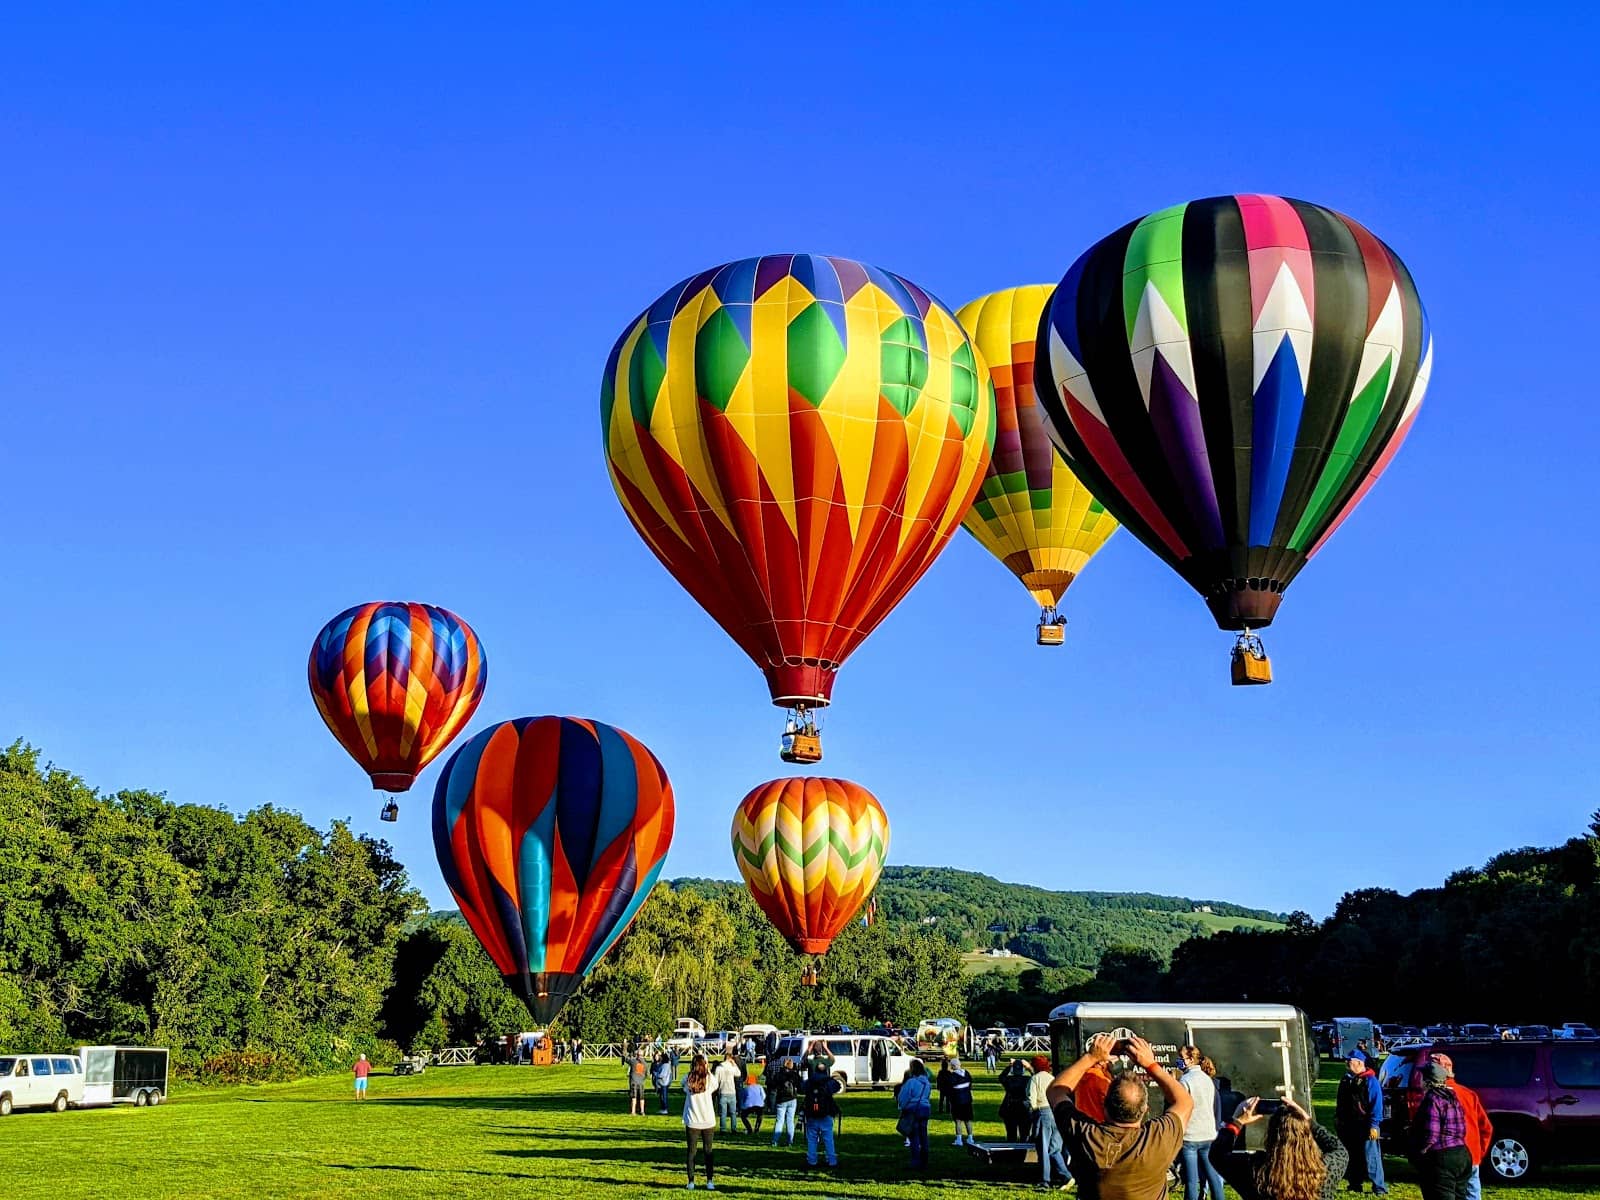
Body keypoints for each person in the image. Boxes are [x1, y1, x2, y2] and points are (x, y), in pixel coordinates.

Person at [1046, 1032, 1193, 1200]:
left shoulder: (1087, 1136)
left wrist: (1091, 1058)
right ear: (1145, 1109)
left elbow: (1056, 1091)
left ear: (1105, 1105)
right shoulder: (1159, 1138)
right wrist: (1150, 1064)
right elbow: (1184, 1102)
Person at [1209, 1096, 1349, 1200]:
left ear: (1270, 1135)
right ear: (1307, 1136)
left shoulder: (1255, 1169)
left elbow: (1217, 1154)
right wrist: (1309, 1122)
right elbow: (1339, 1149)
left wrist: (1238, 1121)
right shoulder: (1324, 1170)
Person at [1430, 1054, 1495, 1200]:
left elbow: (1429, 1131)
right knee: (1472, 1194)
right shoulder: (1468, 1094)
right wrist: (1479, 1153)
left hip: (1446, 1157)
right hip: (1471, 1155)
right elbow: (1486, 1127)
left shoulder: (1435, 1097)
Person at [1409, 1062, 1471, 1200]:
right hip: (1462, 1153)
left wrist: (1421, 1151)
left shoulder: (1433, 1099)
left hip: (1443, 1156)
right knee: (1460, 1196)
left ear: (1427, 1081)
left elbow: (1432, 1134)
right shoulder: (1452, 1097)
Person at [1177, 1045, 1226, 1200]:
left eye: (1181, 1058)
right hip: (1208, 1134)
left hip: (1190, 1136)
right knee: (1213, 1177)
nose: (1179, 1061)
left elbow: (1180, 1106)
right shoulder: (1207, 1080)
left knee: (1191, 1181)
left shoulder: (1185, 1080)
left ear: (1191, 1059)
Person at [1335, 1052, 1387, 1194]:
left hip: (1365, 1125)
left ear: (1359, 1063)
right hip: (1348, 1125)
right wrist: (1338, 1118)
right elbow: (1341, 1102)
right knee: (1352, 1156)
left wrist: (1374, 1125)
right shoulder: (1346, 1080)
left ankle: (1379, 1188)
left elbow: (1377, 1105)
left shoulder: (1371, 1081)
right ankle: (1354, 1184)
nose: (1347, 1063)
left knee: (1372, 1157)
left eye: (1349, 1061)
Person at [1028, 1055, 1073, 1191]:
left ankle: (1044, 1179)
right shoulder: (1052, 1078)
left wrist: (1033, 1114)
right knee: (1054, 1149)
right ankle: (1066, 1176)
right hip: (1056, 1112)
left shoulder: (1035, 1079)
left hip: (1042, 1113)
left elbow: (1031, 1099)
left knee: (1043, 1148)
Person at [682, 1054, 720, 1191]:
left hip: (692, 1120)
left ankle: (691, 1181)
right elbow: (716, 1084)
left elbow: (682, 1085)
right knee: (708, 1151)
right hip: (708, 1120)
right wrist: (708, 1069)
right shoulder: (709, 1079)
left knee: (691, 1152)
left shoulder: (688, 1079)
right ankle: (709, 1181)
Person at [801, 1059, 842, 1169]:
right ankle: (832, 1161)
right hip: (826, 1113)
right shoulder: (828, 1081)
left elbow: (802, 1087)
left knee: (812, 1139)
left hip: (811, 1114)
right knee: (828, 1139)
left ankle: (812, 1161)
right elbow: (838, 1087)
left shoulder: (810, 1081)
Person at [897, 1057, 933, 1168]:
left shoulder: (911, 1082)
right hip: (925, 1109)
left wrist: (902, 1107)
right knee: (924, 1136)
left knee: (914, 1137)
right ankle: (925, 1160)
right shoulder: (927, 1083)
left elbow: (903, 1097)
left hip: (913, 1109)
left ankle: (916, 1161)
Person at [769, 1056, 801, 1146]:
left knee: (779, 1121)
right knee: (790, 1121)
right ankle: (790, 1141)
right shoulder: (794, 1074)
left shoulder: (779, 1074)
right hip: (792, 1099)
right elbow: (800, 1085)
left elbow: (773, 1085)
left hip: (781, 1099)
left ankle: (775, 1141)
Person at [999, 1055, 1033, 1141]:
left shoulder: (1008, 1080)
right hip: (1024, 1108)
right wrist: (1029, 1067)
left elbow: (1001, 1077)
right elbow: (1036, 1076)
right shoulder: (1028, 1079)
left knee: (1011, 1134)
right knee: (1024, 1134)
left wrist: (1009, 1066)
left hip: (1010, 1107)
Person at [945, 1055, 975, 1145]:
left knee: (958, 1120)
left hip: (957, 1101)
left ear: (953, 1066)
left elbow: (949, 1089)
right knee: (968, 1120)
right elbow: (970, 1085)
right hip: (967, 1100)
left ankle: (959, 1139)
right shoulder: (967, 1073)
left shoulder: (952, 1076)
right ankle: (970, 1138)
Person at [713, 1053, 741, 1133]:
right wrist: (734, 1064)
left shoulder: (719, 1068)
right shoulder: (732, 1067)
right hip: (732, 1092)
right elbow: (738, 1074)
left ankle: (723, 1128)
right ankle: (733, 1128)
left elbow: (716, 1081)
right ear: (730, 1059)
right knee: (733, 1112)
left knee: (723, 1113)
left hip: (722, 1091)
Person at [740, 1068, 766, 1134]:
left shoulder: (745, 1089)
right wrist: (761, 1101)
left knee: (743, 1116)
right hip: (759, 1105)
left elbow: (742, 1098)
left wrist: (742, 1107)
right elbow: (764, 1096)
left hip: (748, 1105)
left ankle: (749, 1129)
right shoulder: (759, 1086)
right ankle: (757, 1129)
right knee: (760, 1115)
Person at [624, 1046, 649, 1116]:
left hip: (633, 1082)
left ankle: (633, 1111)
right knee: (642, 1097)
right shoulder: (645, 1064)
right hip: (641, 1082)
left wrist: (626, 1048)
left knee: (634, 1097)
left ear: (637, 1055)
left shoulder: (633, 1061)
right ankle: (642, 1111)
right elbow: (647, 1074)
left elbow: (626, 1058)